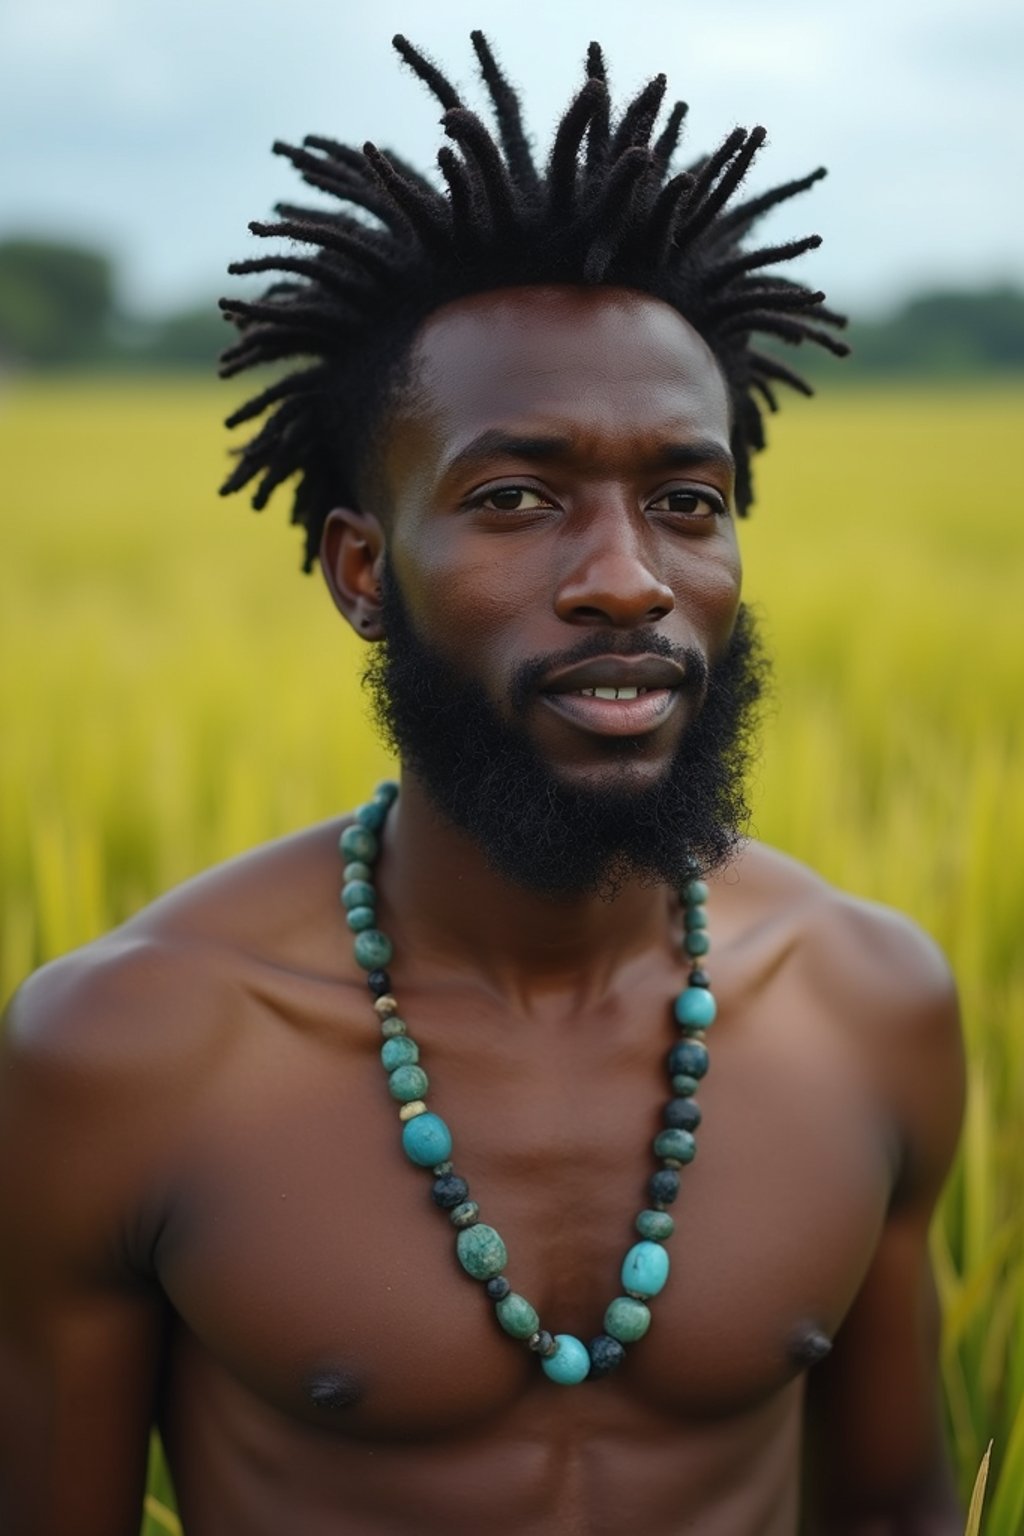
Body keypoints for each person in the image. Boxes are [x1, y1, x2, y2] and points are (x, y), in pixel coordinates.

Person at [0, 32, 965, 1536]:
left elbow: (903, 1506)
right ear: (362, 571)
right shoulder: (131, 1049)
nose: (627, 580)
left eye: (687, 503)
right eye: (515, 500)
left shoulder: (871, 1003)